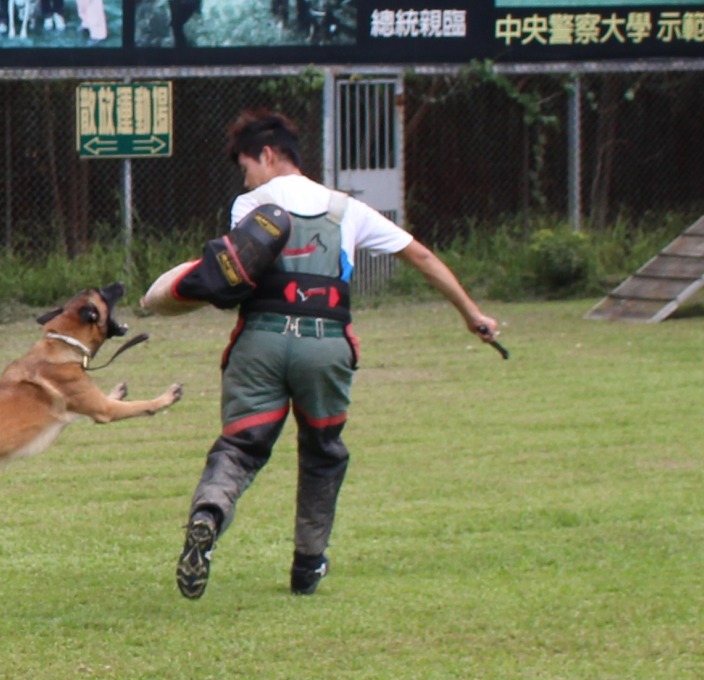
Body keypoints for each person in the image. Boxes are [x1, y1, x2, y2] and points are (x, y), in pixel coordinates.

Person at [174, 109, 501, 600]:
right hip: (326, 343)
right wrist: (471, 314)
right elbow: (423, 258)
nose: (245, 178)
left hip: (259, 340)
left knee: (240, 449)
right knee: (323, 453)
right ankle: (308, 566)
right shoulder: (349, 208)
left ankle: (208, 514)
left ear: (267, 155)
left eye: (246, 166)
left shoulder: (248, 206)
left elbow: (235, 277)